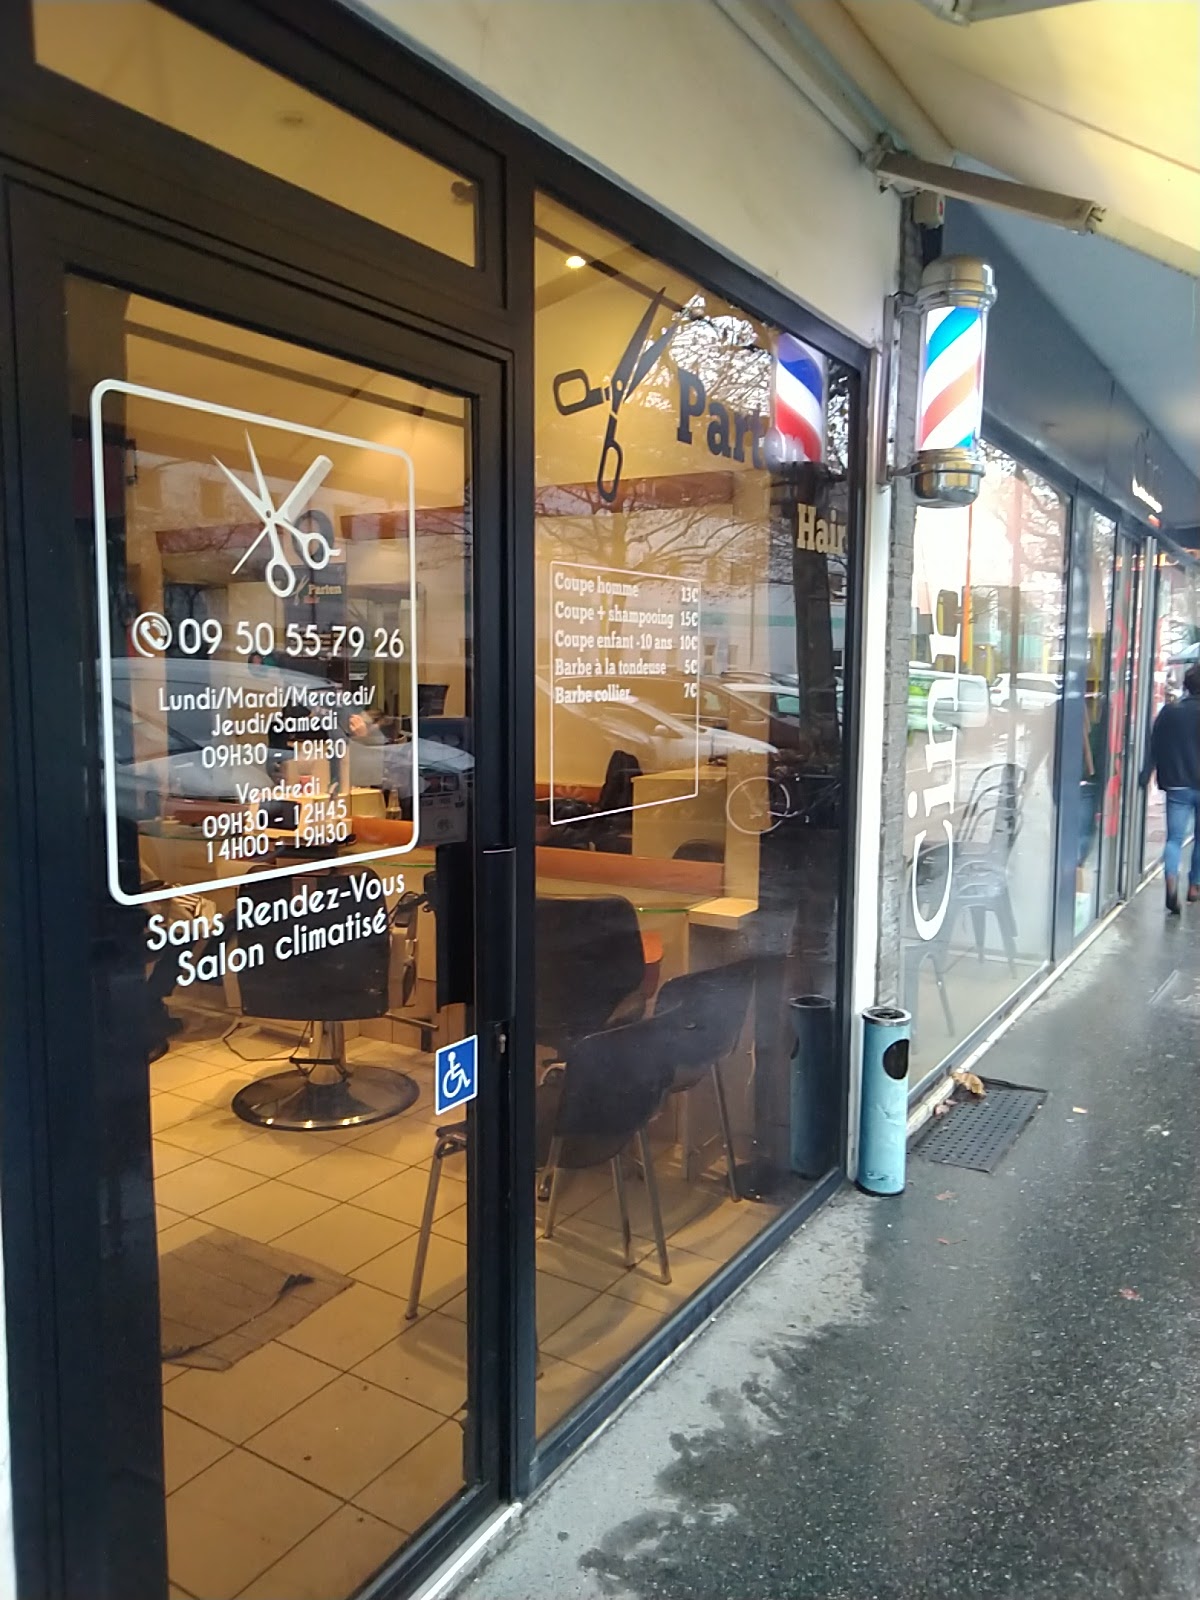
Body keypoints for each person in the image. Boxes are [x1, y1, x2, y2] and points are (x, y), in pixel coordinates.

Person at [1139, 662, 1200, 914]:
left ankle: (1171, 881)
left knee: (1174, 838)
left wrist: (1147, 772)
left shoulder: (1169, 712)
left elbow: (1155, 743)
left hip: (1177, 784)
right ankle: (1194, 885)